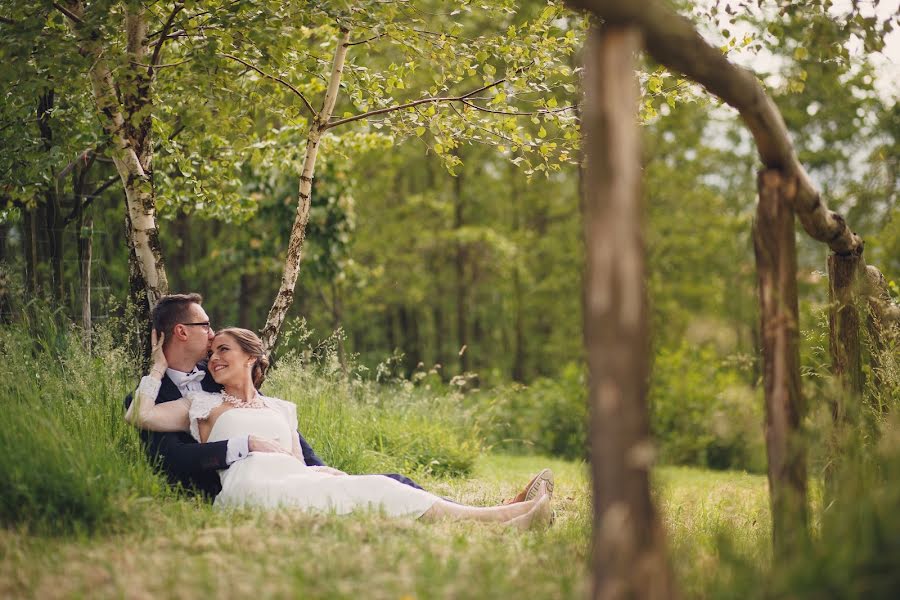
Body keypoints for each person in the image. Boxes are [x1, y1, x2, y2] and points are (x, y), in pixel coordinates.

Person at [124, 294, 553, 510]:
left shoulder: (217, 383)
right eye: (206, 327)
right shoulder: (160, 397)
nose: (214, 341)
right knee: (369, 493)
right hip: (241, 487)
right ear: (181, 332)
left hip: (282, 472)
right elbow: (175, 462)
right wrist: (247, 445)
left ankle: (497, 510)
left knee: (386, 481)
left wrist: (318, 467)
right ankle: (500, 511)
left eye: (224, 347)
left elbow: (277, 428)